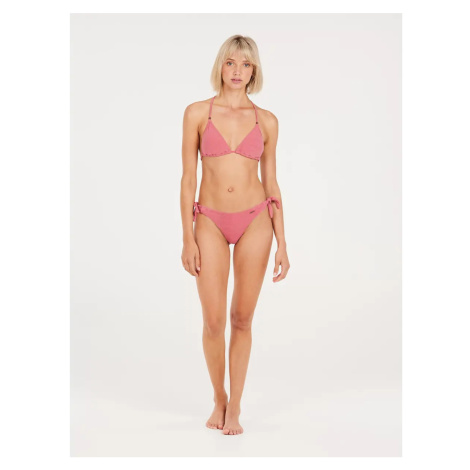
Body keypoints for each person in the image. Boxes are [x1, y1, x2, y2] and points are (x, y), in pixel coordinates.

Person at [180, 35, 290, 435]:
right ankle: (219, 397)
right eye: (230, 63)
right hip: (209, 220)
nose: (237, 71)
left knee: (241, 318)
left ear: (254, 70)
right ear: (220, 66)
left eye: (245, 64)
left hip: (255, 220)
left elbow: (272, 183)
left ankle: (236, 407)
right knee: (213, 321)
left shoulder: (267, 121)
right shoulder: (197, 113)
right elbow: (188, 178)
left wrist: (283, 242)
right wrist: (187, 237)